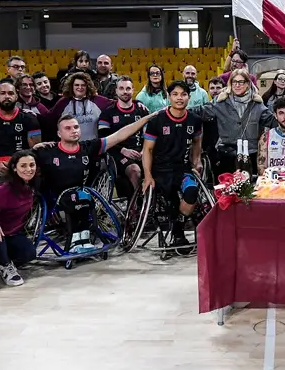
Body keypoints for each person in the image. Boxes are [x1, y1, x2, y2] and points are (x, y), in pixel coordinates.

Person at [36, 112, 151, 251]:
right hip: (55, 197)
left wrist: (147, 118)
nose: (73, 131)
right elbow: (22, 162)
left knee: (83, 196)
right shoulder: (47, 151)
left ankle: (83, 239)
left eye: (76, 127)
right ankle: (74, 241)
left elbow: (120, 135)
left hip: (82, 193)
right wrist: (34, 149)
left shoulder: (88, 147)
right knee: (76, 198)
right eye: (68, 128)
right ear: (59, 133)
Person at [142, 81, 206, 252]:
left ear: (189, 97)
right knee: (171, 201)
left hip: (183, 169)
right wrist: (148, 176)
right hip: (161, 171)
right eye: (175, 94)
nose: (179, 98)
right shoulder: (157, 121)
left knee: (192, 191)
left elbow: (197, 142)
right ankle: (178, 234)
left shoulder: (195, 120)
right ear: (169, 97)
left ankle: (178, 228)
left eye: (183, 94)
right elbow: (147, 149)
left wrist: (197, 160)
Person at [0, 151, 40, 286]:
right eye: (23, 166)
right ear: (14, 168)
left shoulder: (32, 185)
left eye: (32, 165)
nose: (29, 169)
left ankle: (3, 260)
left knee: (30, 254)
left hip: (13, 232)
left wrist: (42, 146)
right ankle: (5, 266)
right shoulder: (5, 189)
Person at [197, 69, 271, 174]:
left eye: (241, 82)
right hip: (226, 155)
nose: (237, 85)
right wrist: (180, 111)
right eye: (234, 82)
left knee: (250, 188)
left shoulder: (257, 104)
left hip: (251, 154)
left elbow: (271, 120)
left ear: (248, 84)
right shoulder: (220, 102)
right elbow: (201, 112)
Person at [0, 79, 42, 177]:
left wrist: (19, 165)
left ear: (16, 96)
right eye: (2, 93)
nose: (7, 96)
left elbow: (35, 149)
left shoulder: (29, 119)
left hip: (23, 168)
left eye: (10, 93)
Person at [98, 76, 150, 197]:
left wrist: (144, 150)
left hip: (141, 151)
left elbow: (149, 134)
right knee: (134, 170)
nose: (125, 91)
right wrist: (123, 150)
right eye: (121, 88)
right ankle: (137, 204)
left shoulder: (142, 111)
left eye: (128, 88)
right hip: (117, 152)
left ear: (133, 90)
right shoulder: (107, 113)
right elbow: (104, 139)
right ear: (116, 91)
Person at [47, 72, 110, 140]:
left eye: (83, 85)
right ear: (71, 86)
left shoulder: (98, 100)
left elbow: (117, 104)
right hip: (70, 146)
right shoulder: (63, 103)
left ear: (88, 86)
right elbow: (49, 118)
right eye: (76, 85)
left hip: (93, 145)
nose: (80, 87)